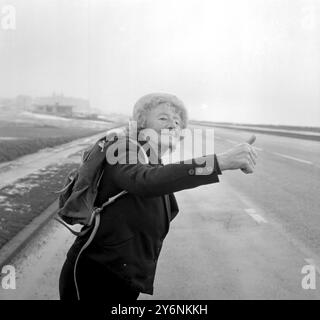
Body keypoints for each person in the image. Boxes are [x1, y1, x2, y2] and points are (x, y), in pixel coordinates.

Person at [59, 92, 258, 301]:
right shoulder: (124, 147)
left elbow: (158, 184)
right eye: (163, 118)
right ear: (141, 125)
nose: (172, 125)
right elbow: (145, 181)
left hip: (124, 277)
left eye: (177, 122)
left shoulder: (151, 161)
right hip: (97, 275)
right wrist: (219, 162)